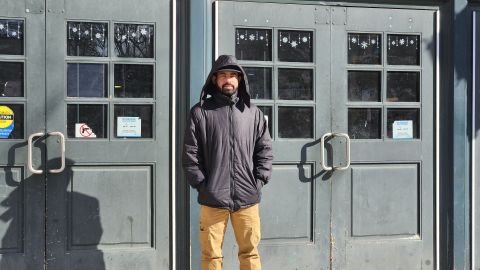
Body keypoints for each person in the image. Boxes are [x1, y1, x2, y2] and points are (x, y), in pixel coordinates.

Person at [183, 55, 273, 270]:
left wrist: (259, 180)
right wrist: (204, 186)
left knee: (250, 254)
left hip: (247, 198)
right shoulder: (200, 113)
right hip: (213, 199)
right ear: (214, 79)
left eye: (233, 75)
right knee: (211, 256)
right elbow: (190, 155)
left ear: (240, 80)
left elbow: (265, 150)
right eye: (223, 75)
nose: (228, 80)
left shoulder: (253, 113)